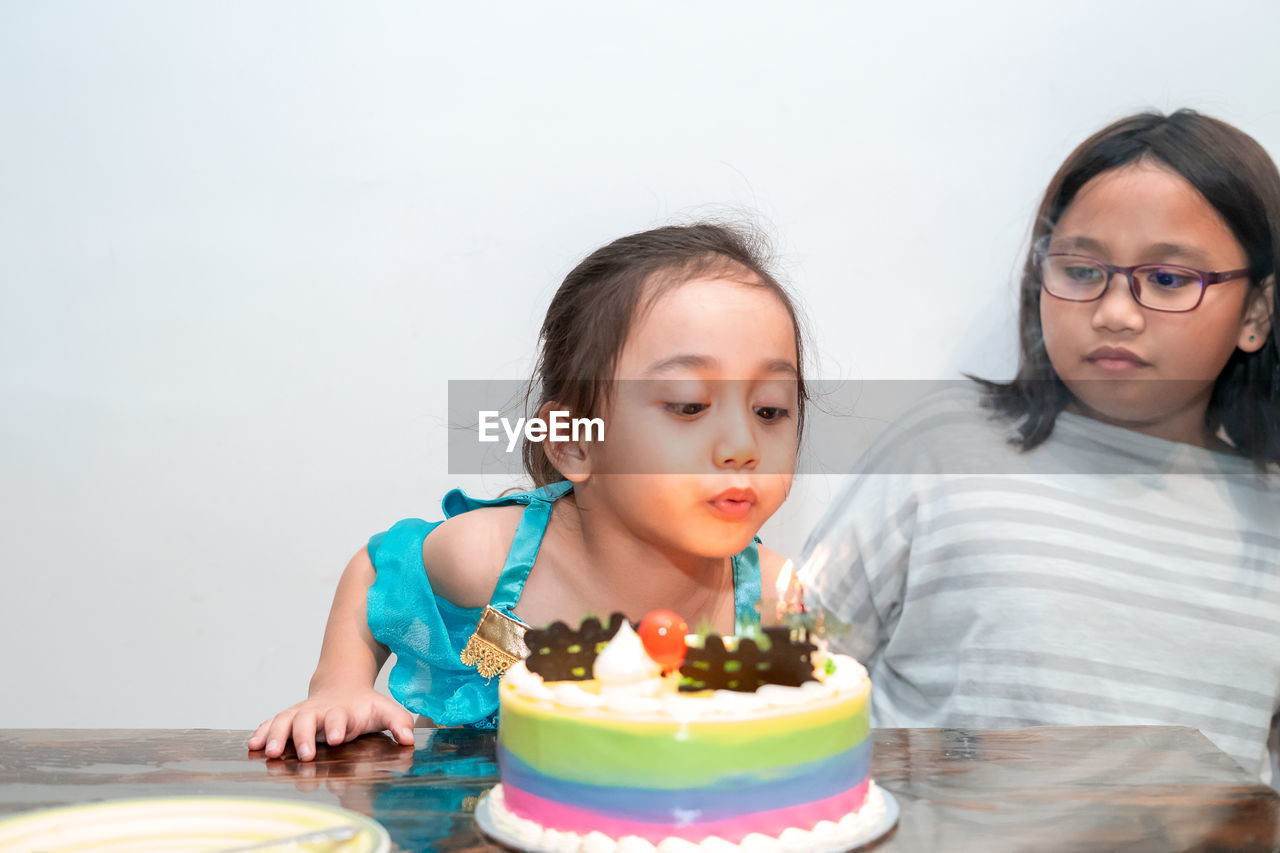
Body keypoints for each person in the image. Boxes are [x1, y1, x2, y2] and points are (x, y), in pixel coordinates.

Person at [800, 110, 1280, 785]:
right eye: (1082, 270)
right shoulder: (944, 450)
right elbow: (788, 671)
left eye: (1169, 280)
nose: (1116, 311)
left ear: (1256, 312)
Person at [249, 223, 808, 760]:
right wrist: (339, 685)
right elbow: (377, 569)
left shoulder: (767, 602)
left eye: (770, 409)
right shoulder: (497, 567)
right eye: (689, 404)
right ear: (573, 441)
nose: (743, 444)